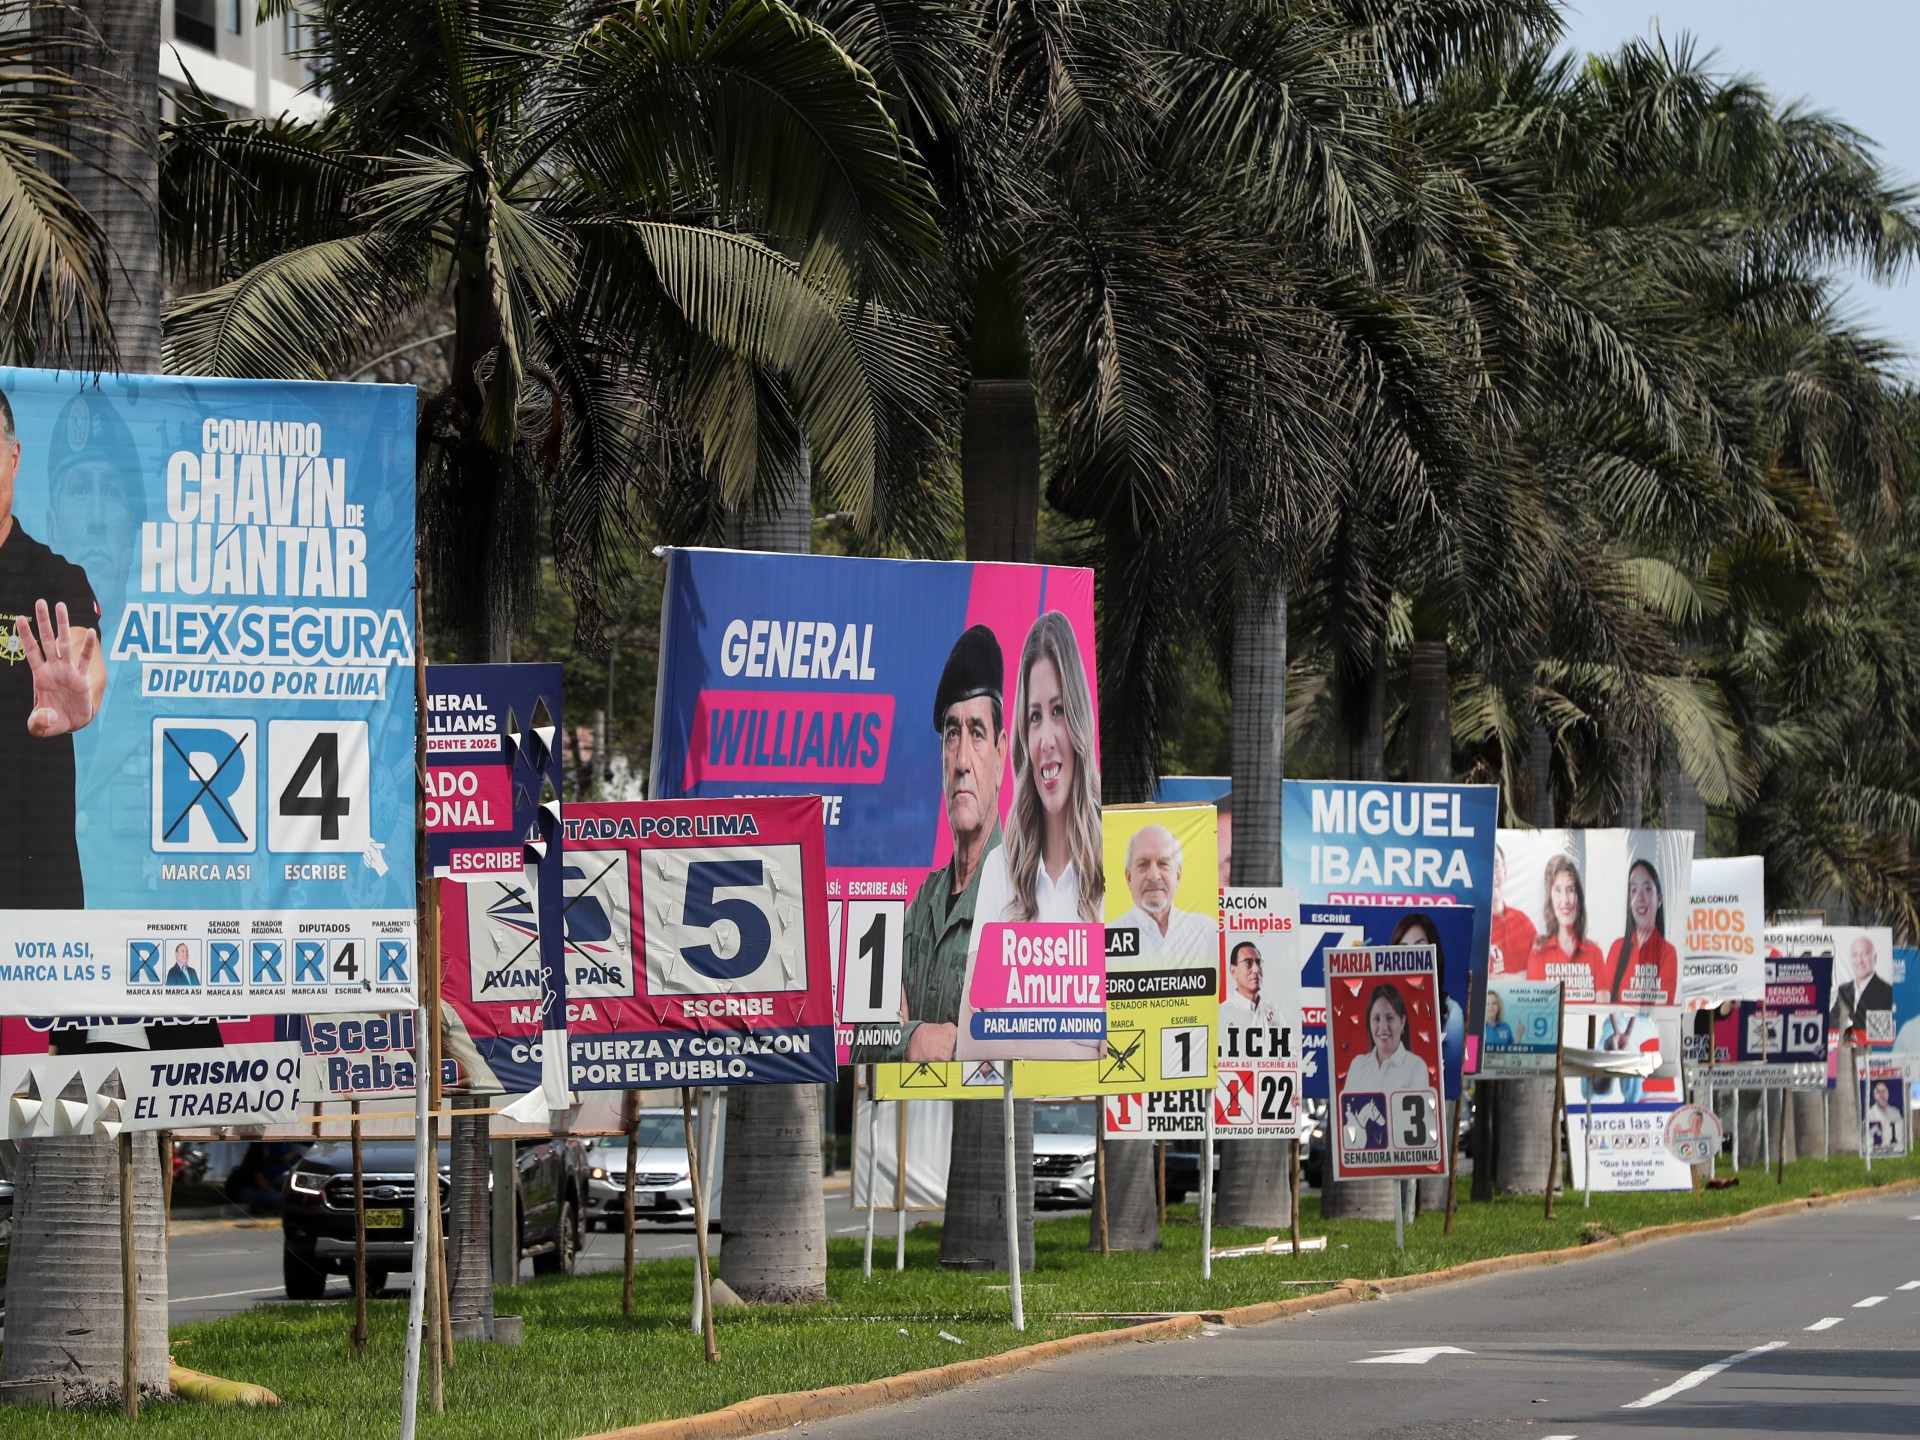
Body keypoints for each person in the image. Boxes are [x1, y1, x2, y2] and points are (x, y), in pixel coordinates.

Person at [850, 625, 1006, 1064]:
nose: (962, 761)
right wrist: (915, 1039)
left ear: (1001, 755)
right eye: (952, 734)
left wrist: (903, 1029)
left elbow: (1017, 1046)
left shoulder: (1022, 899)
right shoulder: (922, 905)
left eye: (977, 733)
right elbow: (862, 1037)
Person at [957, 611, 1104, 1059]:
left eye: (1058, 711)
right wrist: (1080, 1046)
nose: (1046, 738)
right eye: (1035, 717)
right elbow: (970, 1040)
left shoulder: (1115, 869)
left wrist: (1013, 1034)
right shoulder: (999, 870)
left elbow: (1126, 1041)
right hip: (1014, 1100)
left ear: (1078, 720)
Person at [0, 388, 108, 909]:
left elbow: (86, 659)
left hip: (31, 902)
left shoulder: (54, 579)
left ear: (13, 456)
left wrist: (81, 693)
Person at [1111, 822, 1215, 956]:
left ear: (1178, 875)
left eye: (1163, 864)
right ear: (1129, 877)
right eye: (1143, 864)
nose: (1154, 876)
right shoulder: (1107, 936)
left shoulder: (1205, 931)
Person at [1391, 910, 1462, 1084]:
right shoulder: (1378, 1006)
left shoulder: (1452, 1013)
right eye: (1403, 948)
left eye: (1420, 947)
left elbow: (1450, 1076)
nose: (1411, 956)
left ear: (1435, 954)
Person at [1528, 855, 1603, 1000]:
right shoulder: (1539, 953)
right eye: (1558, 890)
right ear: (1550, 899)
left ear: (1578, 897)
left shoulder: (1595, 953)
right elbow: (1534, 1007)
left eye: (1570, 890)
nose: (1565, 900)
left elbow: (1603, 1010)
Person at [1604, 859, 1677, 1005]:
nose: (1640, 898)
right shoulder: (1617, 948)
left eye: (1647, 889)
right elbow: (1605, 1002)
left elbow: (1664, 1005)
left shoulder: (1667, 953)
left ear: (1659, 899)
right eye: (1634, 890)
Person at [1341, 982, 1433, 1094]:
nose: (1383, 1027)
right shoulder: (1357, 1065)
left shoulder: (1416, 1067)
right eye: (1376, 1019)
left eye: (1390, 1018)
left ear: (1402, 1022)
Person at [1830, 933, 1894, 1042]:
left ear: (1874, 957)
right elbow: (1831, 1022)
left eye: (1865, 954)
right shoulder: (1843, 990)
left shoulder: (1886, 991)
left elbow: (1881, 1034)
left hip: (1869, 1049)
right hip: (1845, 1048)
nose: (1859, 960)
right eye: (1855, 955)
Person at [1488, 844, 1536, 977]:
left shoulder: (1523, 923)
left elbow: (1540, 974)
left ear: (1505, 871)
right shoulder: (1473, 927)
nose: (1492, 876)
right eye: (1486, 866)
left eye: (1496, 865)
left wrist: (1507, 980)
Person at [1219, 939, 1279, 1036]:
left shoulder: (1271, 1009)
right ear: (1233, 971)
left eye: (1258, 963)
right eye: (1248, 963)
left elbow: (1290, 1044)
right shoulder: (1223, 1013)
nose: (1256, 969)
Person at [1866, 1078, 1903, 1153]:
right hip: (1877, 1150)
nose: (1881, 1095)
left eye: (1883, 1091)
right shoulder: (1869, 1114)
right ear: (1874, 1095)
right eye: (1878, 1092)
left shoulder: (1895, 1112)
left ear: (1888, 1093)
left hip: (1895, 1149)